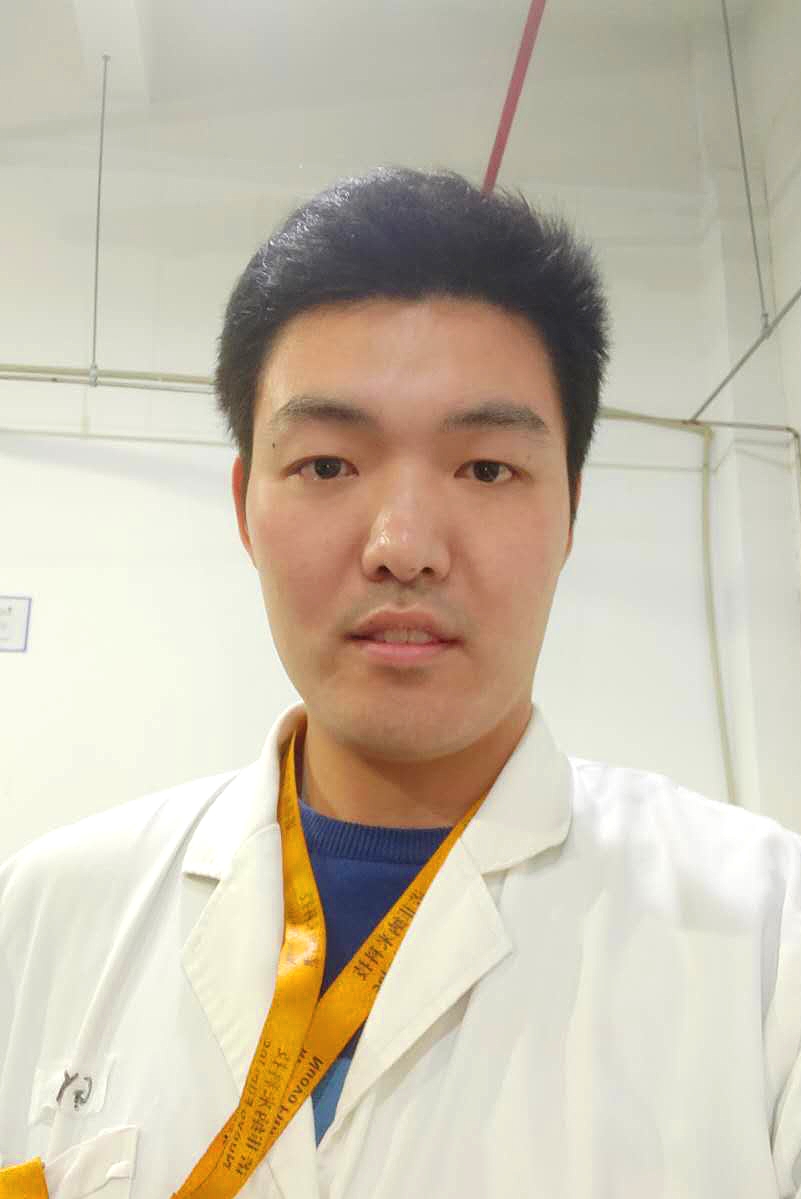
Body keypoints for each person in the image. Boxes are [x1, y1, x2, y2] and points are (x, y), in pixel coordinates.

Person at [1, 167, 800, 1199]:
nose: (403, 546)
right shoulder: (48, 912)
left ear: (570, 509)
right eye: (329, 465)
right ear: (245, 506)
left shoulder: (767, 939)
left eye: (486, 468)